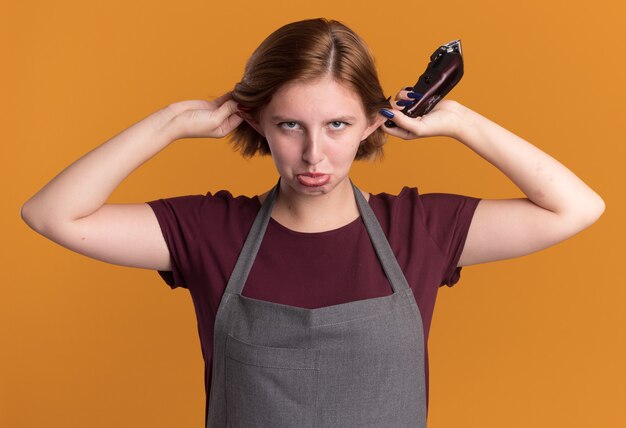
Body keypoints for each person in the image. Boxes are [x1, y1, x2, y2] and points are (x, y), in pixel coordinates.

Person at [21, 17, 604, 428]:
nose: (314, 157)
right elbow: (50, 215)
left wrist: (458, 121)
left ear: (375, 123)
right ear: (256, 123)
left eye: (337, 126)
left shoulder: (419, 230)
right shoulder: (208, 232)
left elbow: (576, 208)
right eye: (290, 126)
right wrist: (169, 122)